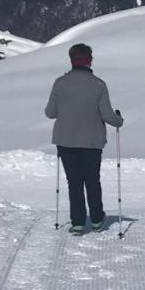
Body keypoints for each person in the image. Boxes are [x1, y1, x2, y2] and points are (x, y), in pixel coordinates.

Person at [45, 43, 124, 235]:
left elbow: (50, 112)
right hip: (91, 141)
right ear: (89, 60)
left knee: (74, 181)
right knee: (92, 180)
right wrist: (118, 120)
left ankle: (78, 222)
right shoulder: (98, 84)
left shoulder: (59, 83)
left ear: (72, 60)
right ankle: (97, 219)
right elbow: (106, 115)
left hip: (65, 140)